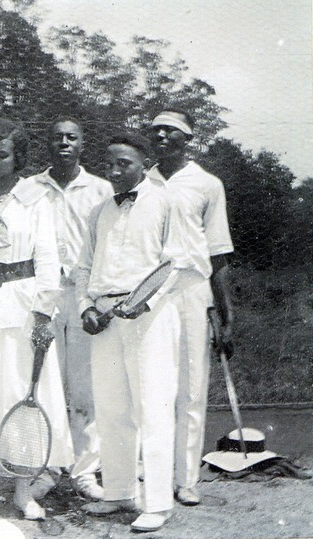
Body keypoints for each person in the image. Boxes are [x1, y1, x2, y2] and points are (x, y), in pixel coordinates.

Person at [0, 118, 74, 521]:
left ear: (18, 158)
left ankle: (24, 490)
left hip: (23, 306)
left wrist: (43, 312)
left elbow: (48, 259)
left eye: (2, 154)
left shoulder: (37, 200)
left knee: (23, 392)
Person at [76, 132, 188, 533]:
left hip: (149, 319)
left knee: (152, 408)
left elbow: (176, 264)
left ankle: (157, 502)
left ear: (143, 164)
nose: (115, 170)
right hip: (104, 318)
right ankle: (120, 493)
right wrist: (87, 307)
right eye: (109, 163)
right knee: (111, 410)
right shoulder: (98, 211)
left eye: (124, 163)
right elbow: (84, 268)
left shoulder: (166, 202)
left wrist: (144, 303)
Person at [147, 108, 235, 506]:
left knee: (191, 387)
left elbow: (218, 254)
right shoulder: (140, 179)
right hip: (146, 293)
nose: (161, 136)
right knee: (151, 387)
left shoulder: (207, 184)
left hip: (192, 289)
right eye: (156, 131)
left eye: (170, 131)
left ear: (187, 139)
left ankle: (186, 479)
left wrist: (225, 313)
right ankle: (150, 473)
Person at [29, 117, 112, 500]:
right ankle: (45, 470)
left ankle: (85, 471)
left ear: (82, 144)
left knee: (85, 392)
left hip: (83, 297)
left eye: (71, 137)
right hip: (42, 297)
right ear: (47, 144)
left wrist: (94, 299)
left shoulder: (100, 188)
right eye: (57, 137)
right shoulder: (30, 188)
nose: (64, 142)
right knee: (45, 387)